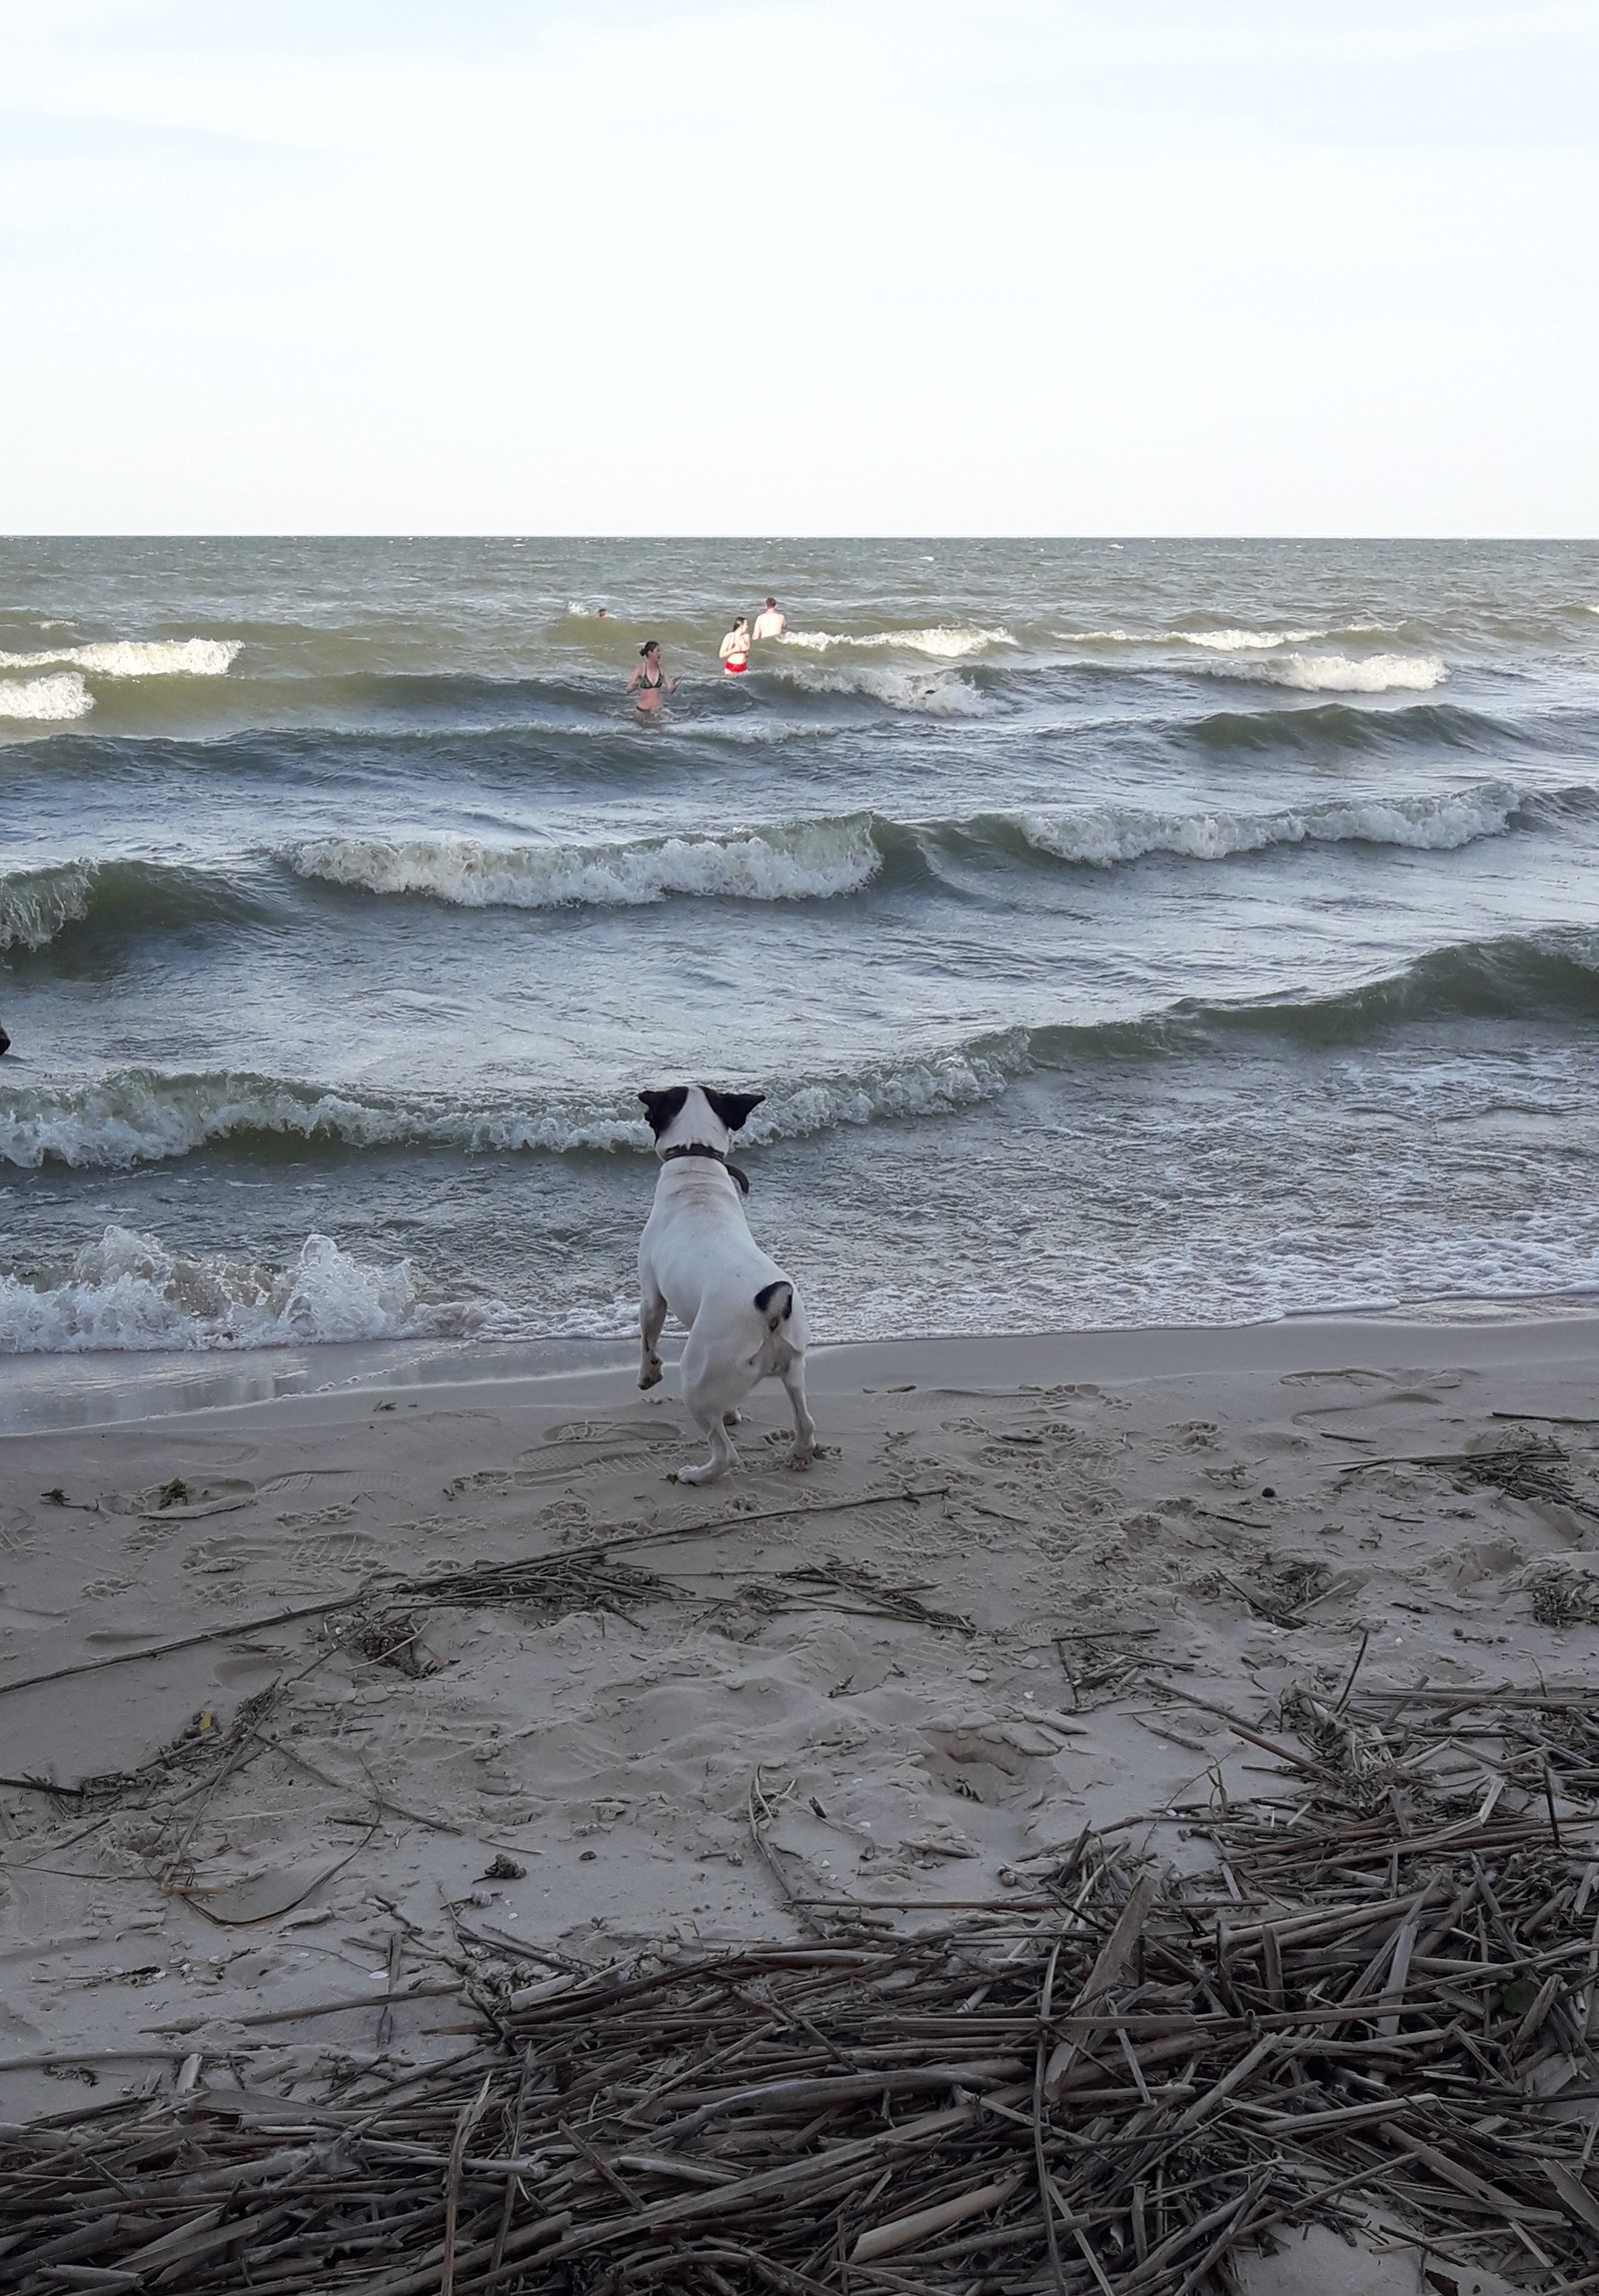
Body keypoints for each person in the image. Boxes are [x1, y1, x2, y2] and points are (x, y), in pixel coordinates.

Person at [627, 640, 678, 714]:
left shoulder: (662, 669)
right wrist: (633, 687)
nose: (660, 654)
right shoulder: (640, 669)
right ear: (650, 652)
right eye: (658, 651)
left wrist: (674, 686)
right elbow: (627, 690)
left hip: (657, 711)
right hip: (642, 710)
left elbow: (670, 690)